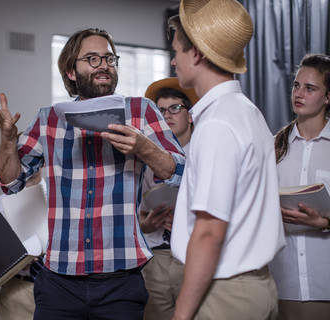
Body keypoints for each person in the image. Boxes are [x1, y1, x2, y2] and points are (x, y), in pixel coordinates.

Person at [0, 28, 185, 320]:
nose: (103, 64)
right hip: (58, 282)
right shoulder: (48, 118)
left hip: (121, 280)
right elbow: (10, 182)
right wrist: (6, 139)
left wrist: (143, 146)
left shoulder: (142, 111)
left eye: (109, 58)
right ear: (71, 71)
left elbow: (178, 171)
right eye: (92, 58)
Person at [168, 1, 286, 319]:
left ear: (197, 54)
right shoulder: (246, 110)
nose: (173, 60)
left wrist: (180, 316)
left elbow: (210, 232)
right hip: (254, 287)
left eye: (176, 50)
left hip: (225, 294)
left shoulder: (217, 124)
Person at [268, 54, 330, 320]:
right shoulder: (271, 148)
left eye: (310, 88)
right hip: (280, 286)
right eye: (296, 85)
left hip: (325, 286)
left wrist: (324, 222)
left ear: (328, 97)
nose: (299, 93)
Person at [139, 77, 198, 319]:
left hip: (193, 253)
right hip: (158, 258)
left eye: (175, 108)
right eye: (161, 111)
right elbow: (140, 215)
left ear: (191, 115)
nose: (168, 115)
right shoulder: (149, 158)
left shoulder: (206, 151)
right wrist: (148, 223)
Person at [0, 170, 45, 320]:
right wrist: (13, 259)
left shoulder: (60, 199)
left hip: (58, 289)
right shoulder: (2, 202)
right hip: (17, 291)